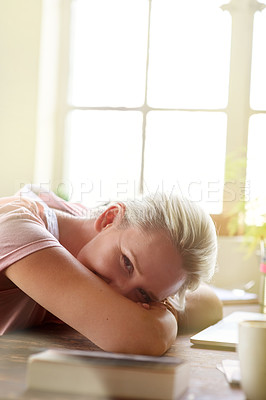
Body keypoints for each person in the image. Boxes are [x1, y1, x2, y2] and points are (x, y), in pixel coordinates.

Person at [0, 184, 222, 355]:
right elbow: (141, 336)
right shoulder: (19, 227)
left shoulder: (85, 222)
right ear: (110, 218)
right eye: (127, 263)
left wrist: (162, 305)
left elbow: (210, 303)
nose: (120, 293)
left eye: (143, 294)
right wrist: (149, 317)